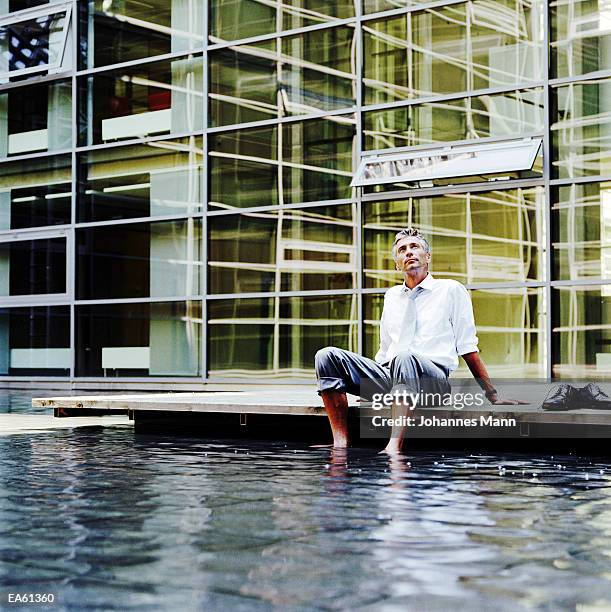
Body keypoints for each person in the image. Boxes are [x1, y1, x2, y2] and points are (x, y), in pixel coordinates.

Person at [314, 227, 526, 454]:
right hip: (394, 377)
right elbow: (385, 351)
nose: (409, 253)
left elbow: (468, 348)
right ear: (397, 264)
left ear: (428, 257)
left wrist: (492, 395)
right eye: (402, 250)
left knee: (406, 358)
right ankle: (340, 444)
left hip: (433, 382)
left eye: (414, 247)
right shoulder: (392, 296)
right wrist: (371, 390)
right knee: (326, 356)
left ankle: (393, 447)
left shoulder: (450, 290)